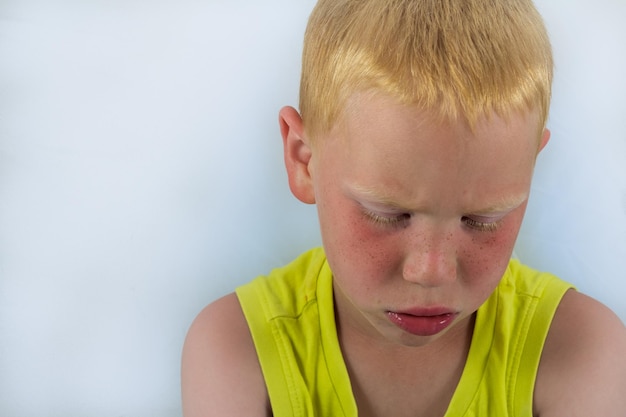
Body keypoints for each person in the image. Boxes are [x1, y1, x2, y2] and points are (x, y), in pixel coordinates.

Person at [181, 0, 626, 415]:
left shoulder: (580, 348)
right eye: (388, 214)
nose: (432, 271)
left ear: (530, 166)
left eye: (482, 219)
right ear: (303, 158)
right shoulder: (237, 347)